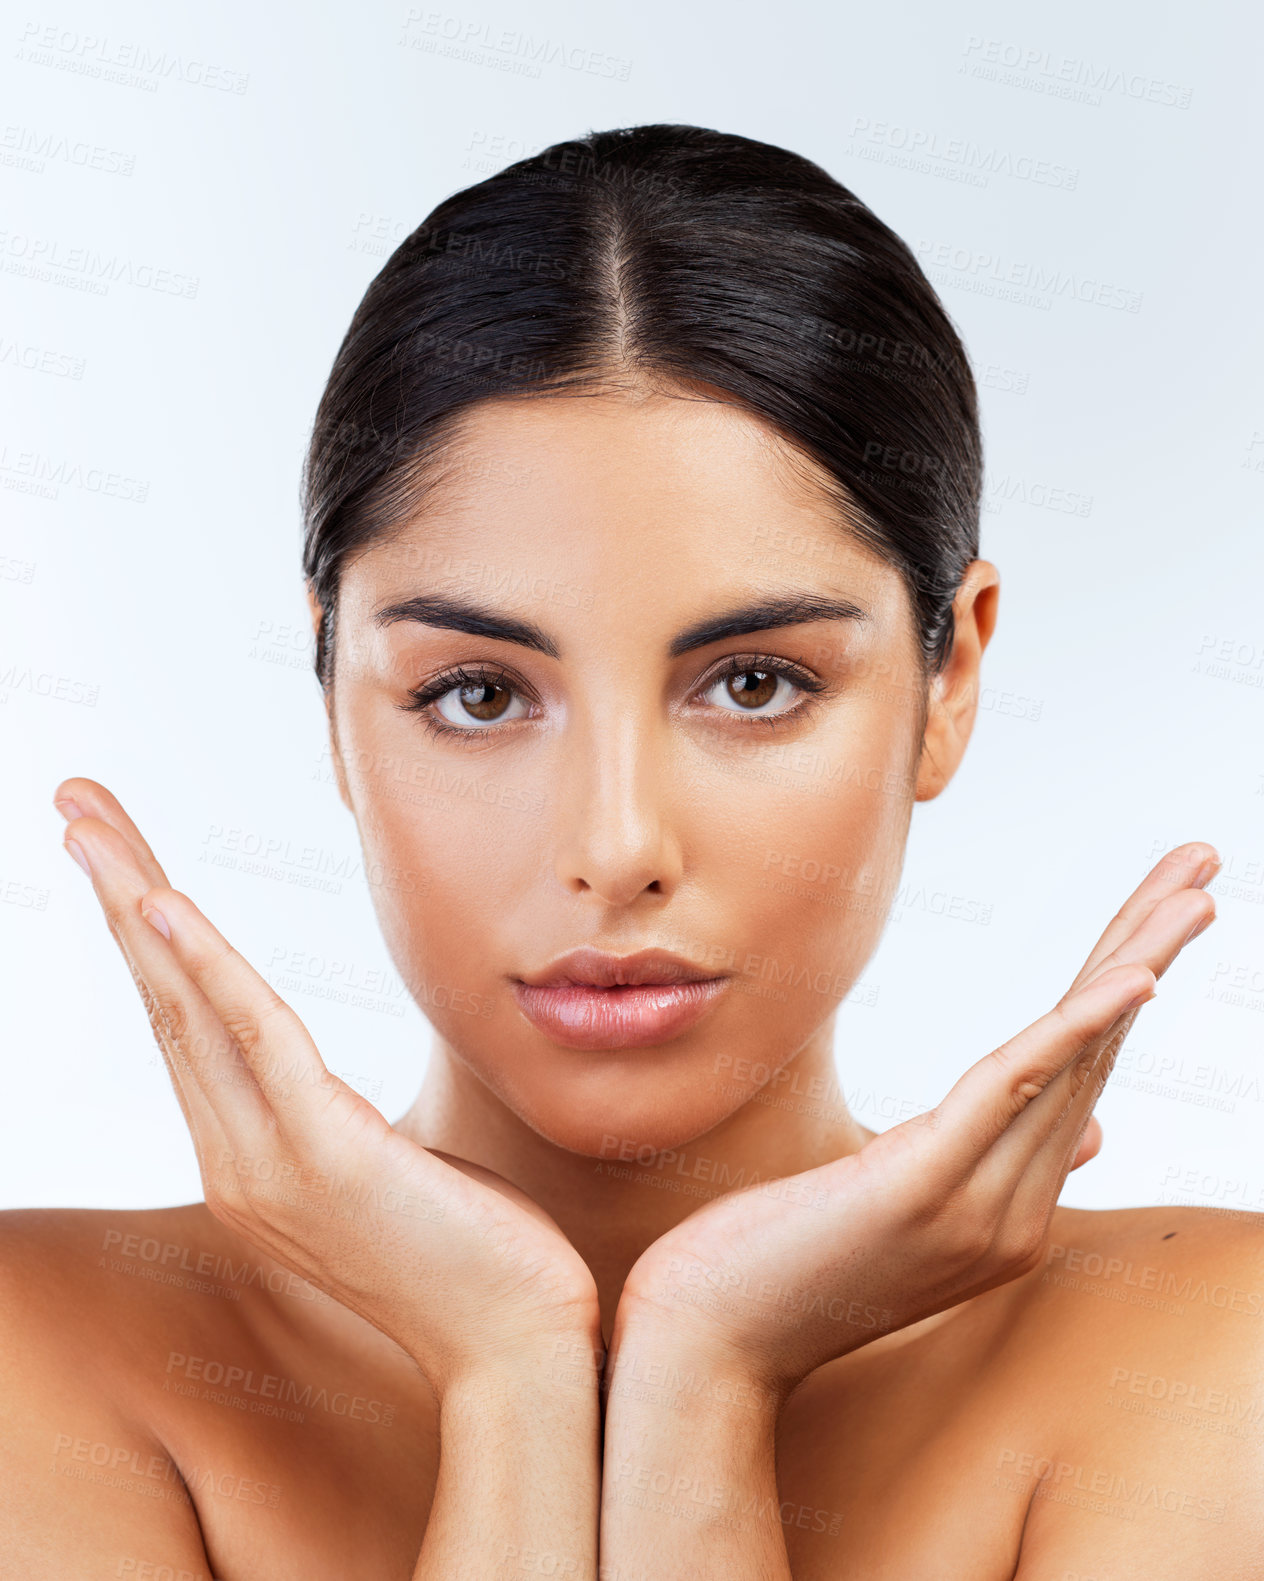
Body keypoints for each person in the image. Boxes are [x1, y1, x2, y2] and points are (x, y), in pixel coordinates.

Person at [5, 123, 1259, 1578]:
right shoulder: (44, 1353)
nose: (616, 847)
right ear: (337, 695)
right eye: (478, 693)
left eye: (754, 682)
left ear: (950, 679)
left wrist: (705, 1371)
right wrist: (509, 1364)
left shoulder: (1215, 1355)